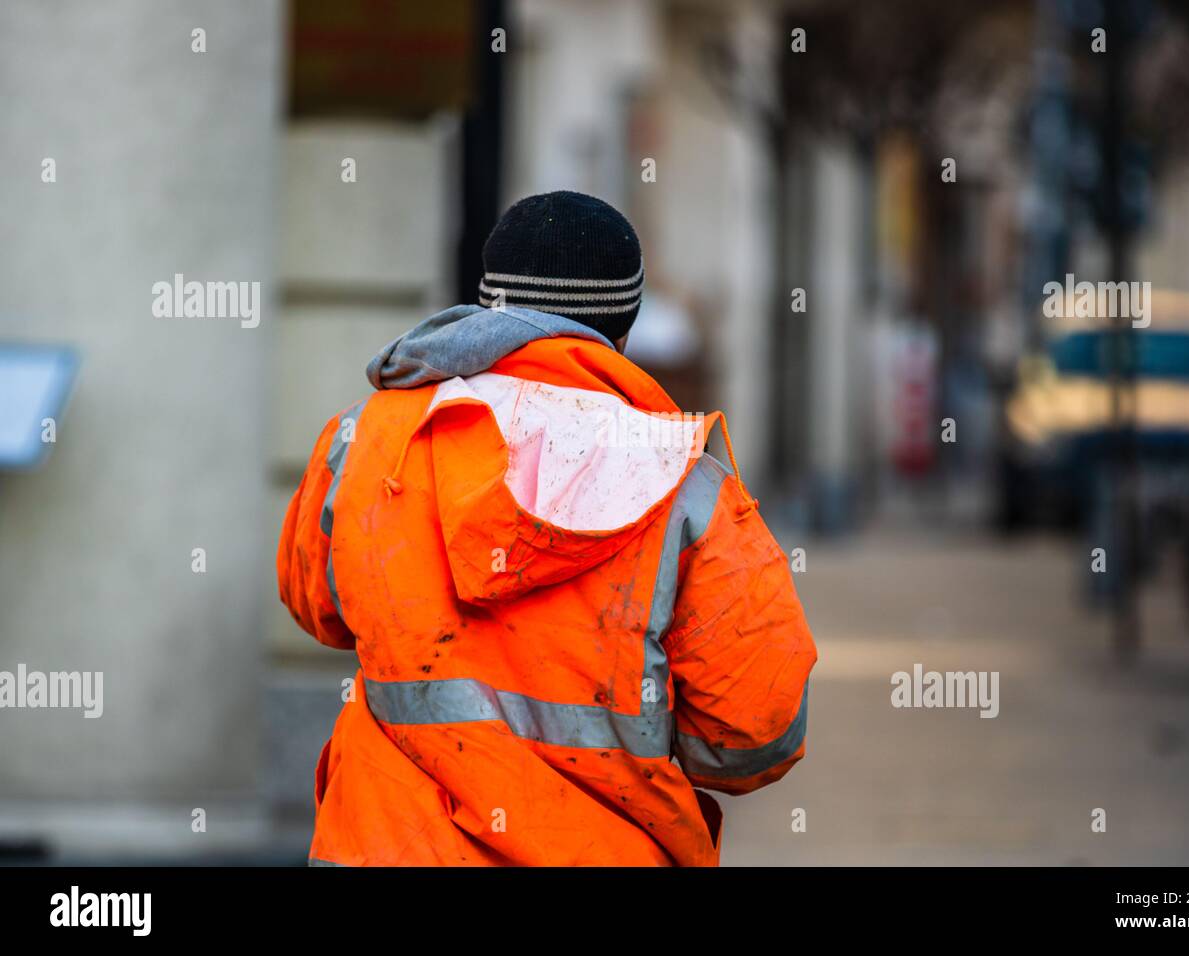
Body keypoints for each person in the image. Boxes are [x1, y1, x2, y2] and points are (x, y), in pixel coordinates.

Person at [278, 190, 816, 866]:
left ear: (485, 307)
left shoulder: (364, 440)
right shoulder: (689, 490)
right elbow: (751, 739)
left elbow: (319, 609)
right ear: (623, 331)